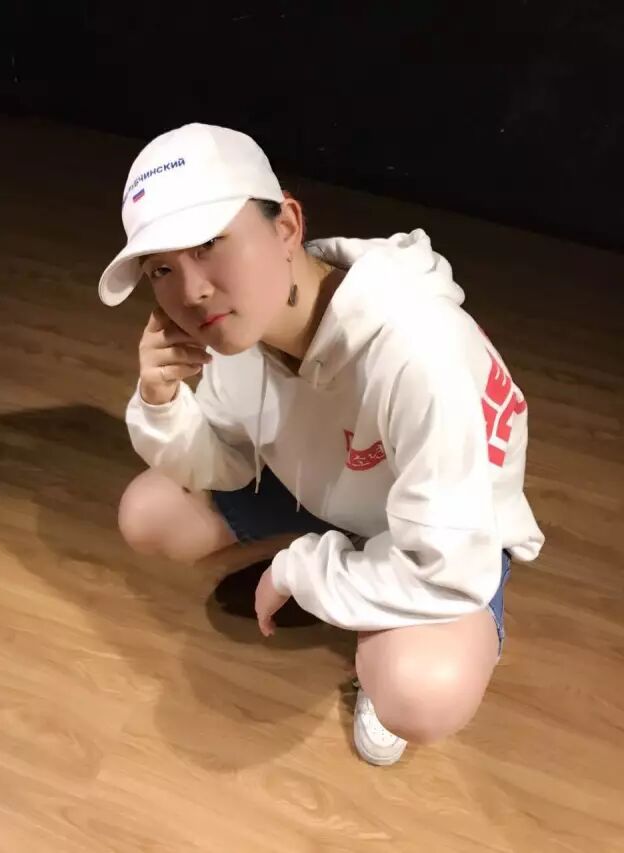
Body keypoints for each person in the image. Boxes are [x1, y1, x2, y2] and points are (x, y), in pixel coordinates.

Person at [98, 122, 544, 767]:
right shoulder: (244, 327)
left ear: (286, 227)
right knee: (150, 513)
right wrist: (161, 400)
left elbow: (446, 564)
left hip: (446, 530)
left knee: (421, 693)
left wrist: (301, 572)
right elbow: (227, 459)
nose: (191, 291)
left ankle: (376, 621)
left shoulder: (419, 349)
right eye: (162, 268)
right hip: (333, 485)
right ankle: (350, 565)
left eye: (209, 244)